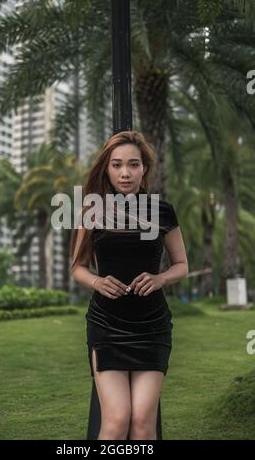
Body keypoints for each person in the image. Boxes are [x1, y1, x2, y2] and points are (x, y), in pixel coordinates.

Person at [70, 130, 188, 440]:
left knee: (143, 424)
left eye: (133, 164)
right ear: (107, 169)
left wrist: (160, 278)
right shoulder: (91, 210)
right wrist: (96, 281)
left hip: (152, 326)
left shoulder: (163, 211)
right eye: (117, 164)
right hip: (106, 325)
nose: (125, 173)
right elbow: (77, 268)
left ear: (144, 169)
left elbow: (182, 265)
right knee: (116, 421)